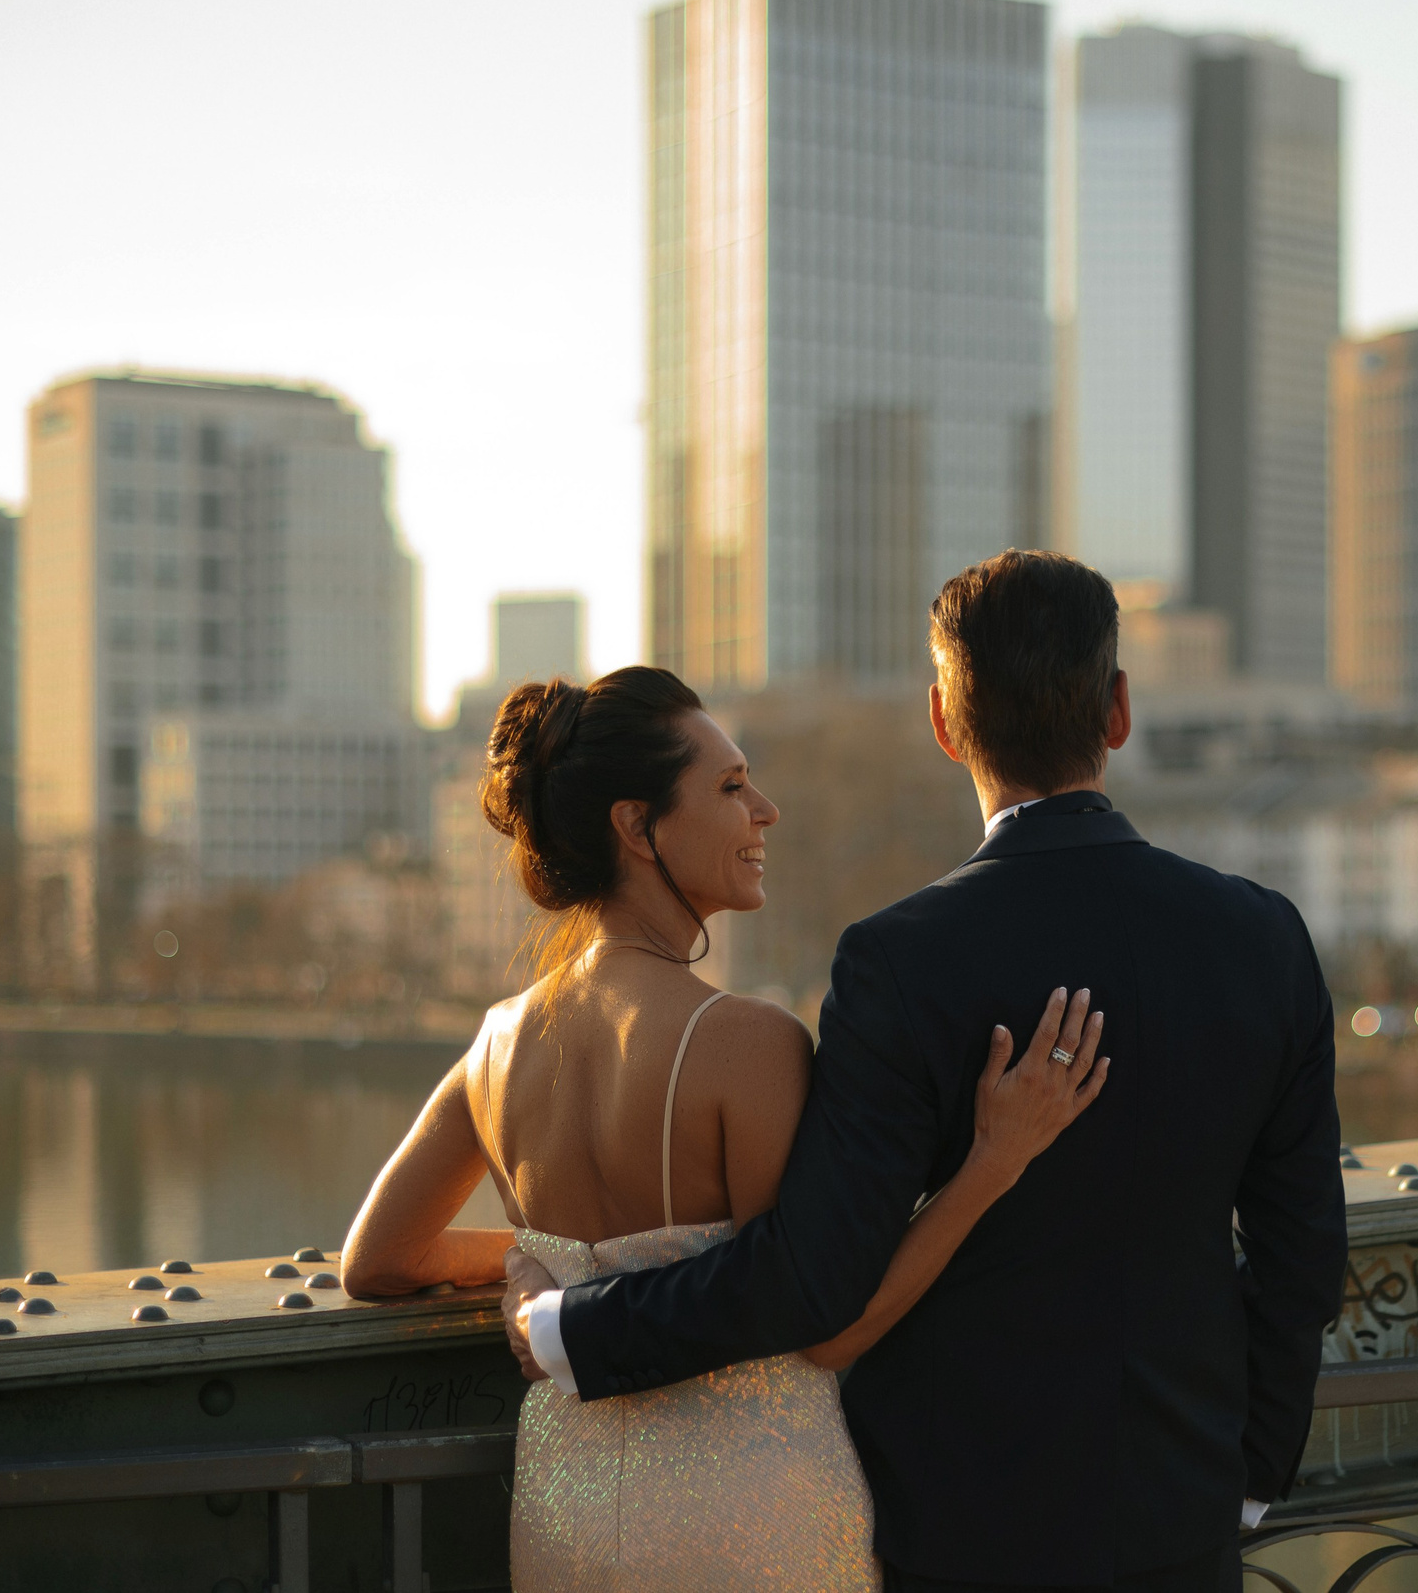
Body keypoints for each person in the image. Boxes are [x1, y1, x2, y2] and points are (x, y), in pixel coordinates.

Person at [521, 551, 1348, 1593]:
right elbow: (1302, 1254)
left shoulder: (899, 958)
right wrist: (1248, 1475)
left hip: (959, 1526)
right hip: (1179, 1514)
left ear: (943, 722)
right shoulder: (1262, 938)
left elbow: (815, 1272)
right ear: (1119, 709)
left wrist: (571, 1325)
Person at [341, 664, 1109, 1592]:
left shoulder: (498, 1041)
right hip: (750, 1513)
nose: (766, 811)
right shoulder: (748, 1041)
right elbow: (830, 1325)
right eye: (732, 787)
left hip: (567, 1511)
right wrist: (994, 1160)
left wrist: (548, 1267)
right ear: (636, 825)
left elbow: (377, 1257)